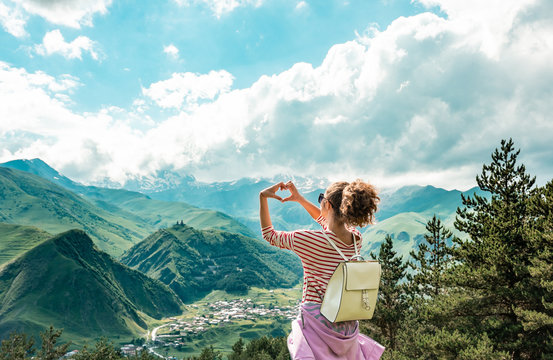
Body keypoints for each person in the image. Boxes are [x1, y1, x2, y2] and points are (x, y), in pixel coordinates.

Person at [259, 179, 385, 360]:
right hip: (345, 323)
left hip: (316, 324)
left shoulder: (308, 240)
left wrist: (263, 197)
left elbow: (269, 235)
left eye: (321, 199)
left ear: (327, 204)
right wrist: (300, 199)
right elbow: (328, 224)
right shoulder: (356, 239)